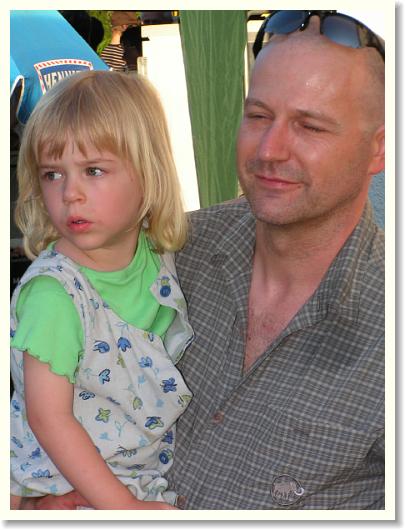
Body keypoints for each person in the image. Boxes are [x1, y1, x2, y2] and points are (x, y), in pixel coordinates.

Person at [21, 10, 385, 510]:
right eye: (258, 116)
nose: (270, 150)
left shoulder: (386, 331)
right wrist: (29, 504)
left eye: (310, 126)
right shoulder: (166, 249)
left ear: (379, 148)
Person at [10, 70, 193, 510]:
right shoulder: (55, 296)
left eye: (93, 170)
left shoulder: (155, 258)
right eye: (52, 174)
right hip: (60, 481)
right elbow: (48, 418)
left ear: (147, 174)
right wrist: (124, 510)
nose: (70, 193)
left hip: (129, 472)